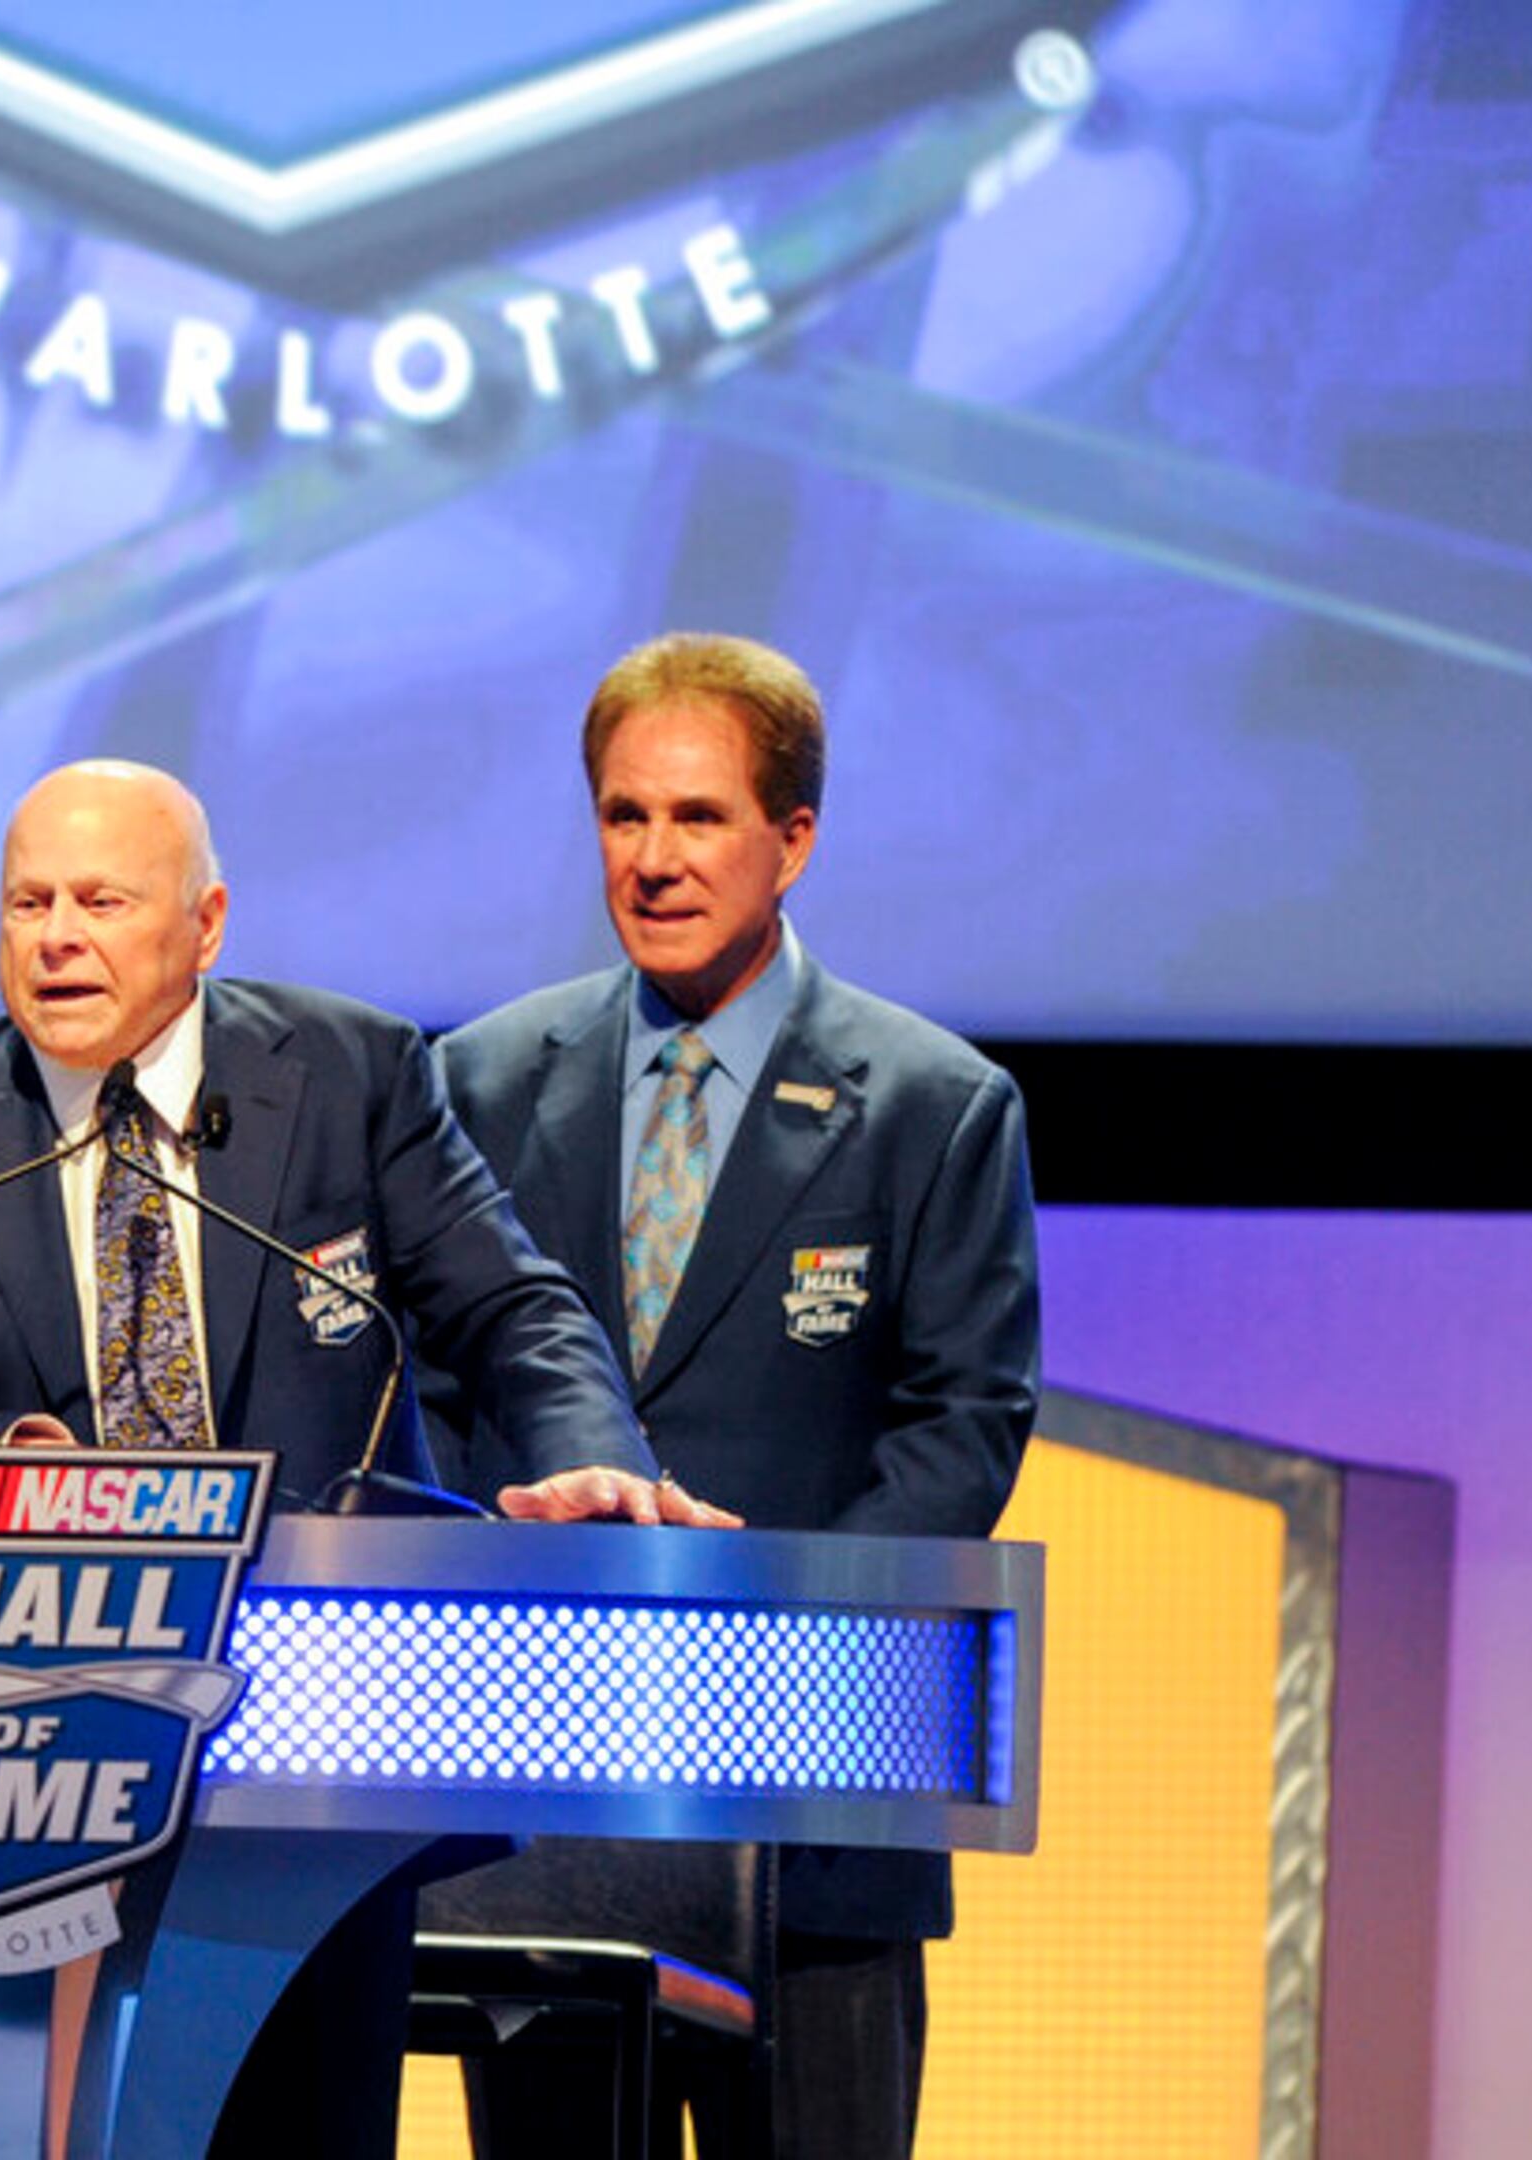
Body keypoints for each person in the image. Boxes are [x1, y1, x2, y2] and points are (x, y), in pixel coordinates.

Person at [0, 756, 723, 2157]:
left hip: (318, 1747)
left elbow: (513, 1306)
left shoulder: (347, 1076)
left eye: (100, 899)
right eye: (28, 901)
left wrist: (589, 1457)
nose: (56, 936)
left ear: (205, 924)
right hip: (20, 1753)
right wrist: (16, 1458)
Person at [433, 631, 1040, 2160]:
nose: (654, 859)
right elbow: (427, 1387)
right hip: (544, 1812)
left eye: (698, 818)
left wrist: (754, 1651)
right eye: (625, 817)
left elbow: (961, 1425)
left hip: (813, 1823)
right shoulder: (482, 1083)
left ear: (795, 839)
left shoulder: (933, 1107)